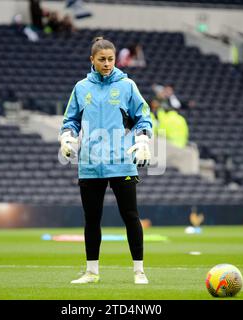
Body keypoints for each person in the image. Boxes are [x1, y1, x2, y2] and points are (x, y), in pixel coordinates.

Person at [59, 37, 152, 285]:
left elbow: (143, 117)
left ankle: (139, 271)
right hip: (90, 164)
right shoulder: (81, 88)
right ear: (92, 60)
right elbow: (70, 120)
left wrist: (143, 140)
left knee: (131, 216)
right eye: (102, 59)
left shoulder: (127, 85)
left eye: (111, 59)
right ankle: (91, 272)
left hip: (122, 162)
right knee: (92, 220)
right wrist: (67, 138)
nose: (108, 64)